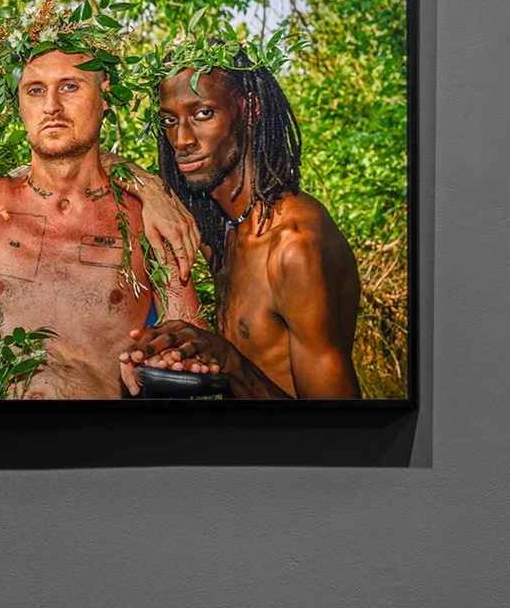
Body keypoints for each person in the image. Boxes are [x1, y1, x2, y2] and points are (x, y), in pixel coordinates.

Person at [0, 42, 200, 399]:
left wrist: (161, 354)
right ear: (19, 105)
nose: (51, 106)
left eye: (69, 86)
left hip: (95, 445)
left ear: (105, 95)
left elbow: (189, 335)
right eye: (35, 91)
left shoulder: (149, 221)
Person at [117, 52, 364, 399]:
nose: (182, 140)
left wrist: (230, 362)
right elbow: (98, 161)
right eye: (170, 121)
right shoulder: (223, 225)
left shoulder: (293, 250)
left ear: (249, 111)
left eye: (203, 114)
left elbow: (339, 435)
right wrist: (153, 190)